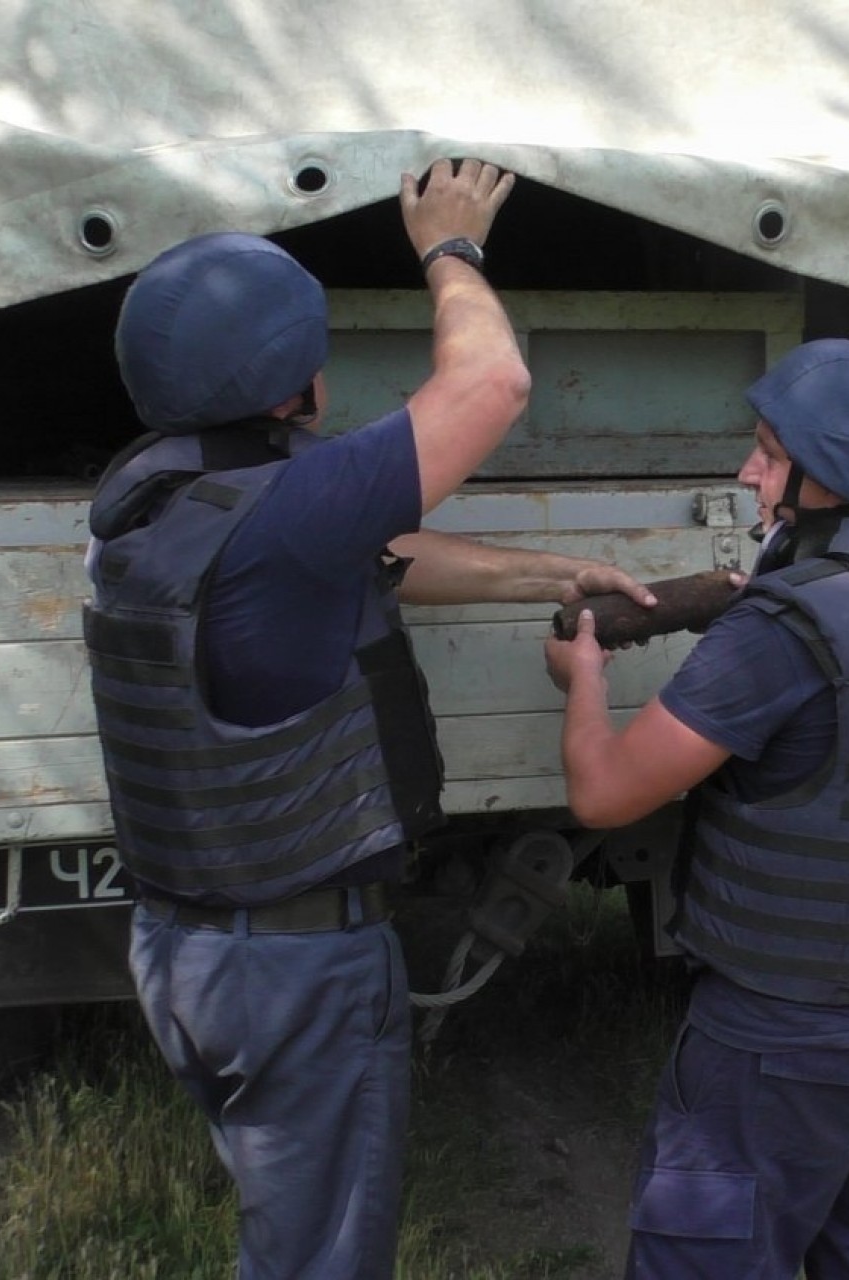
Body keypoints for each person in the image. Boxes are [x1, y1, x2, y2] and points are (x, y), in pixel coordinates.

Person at [83, 158, 655, 1280]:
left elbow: (374, 553)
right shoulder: (289, 513)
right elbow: (491, 385)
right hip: (295, 960)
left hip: (191, 949)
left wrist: (552, 572)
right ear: (294, 386)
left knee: (288, 1234)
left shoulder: (149, 505)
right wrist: (451, 245)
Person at [543, 339, 849, 1278]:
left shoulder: (782, 632)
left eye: (769, 452)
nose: (748, 471)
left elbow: (604, 795)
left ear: (830, 477)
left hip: (778, 1038)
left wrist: (581, 676)